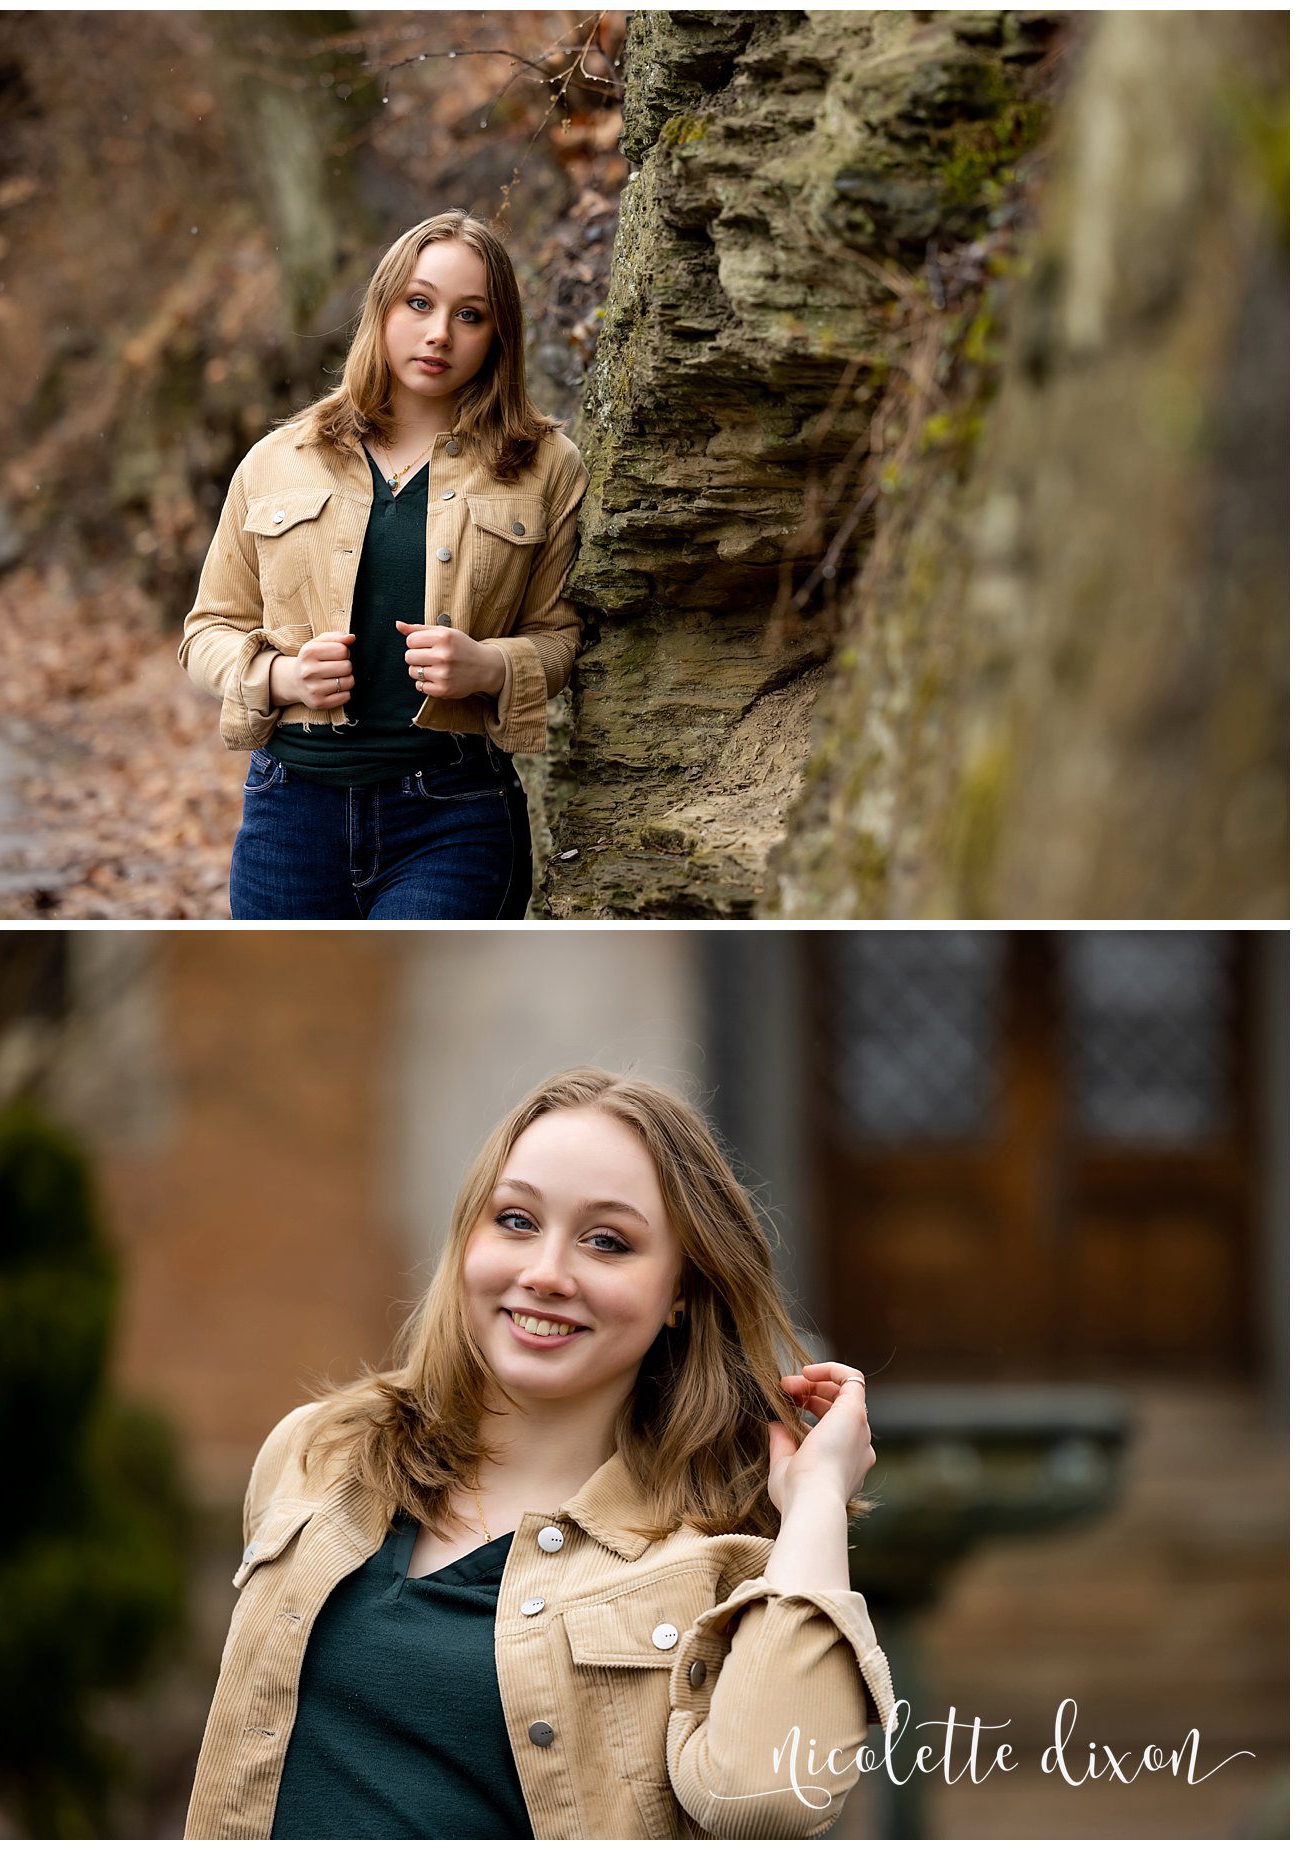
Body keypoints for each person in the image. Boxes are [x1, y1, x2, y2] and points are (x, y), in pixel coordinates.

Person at [185, 1068, 892, 1839]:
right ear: (468, 1240)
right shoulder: (320, 1452)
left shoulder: (724, 1560)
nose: (547, 1274)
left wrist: (818, 1499)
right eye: (516, 1221)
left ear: (682, 1290)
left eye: (607, 1242)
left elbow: (772, 1800)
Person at [180, 209, 588, 919]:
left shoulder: (545, 466)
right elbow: (207, 628)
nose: (439, 335)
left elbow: (561, 636)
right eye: (420, 303)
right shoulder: (279, 459)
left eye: (471, 316)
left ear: (499, 335)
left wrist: (489, 667)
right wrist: (278, 674)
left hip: (454, 816)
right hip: (288, 817)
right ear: (383, 307)